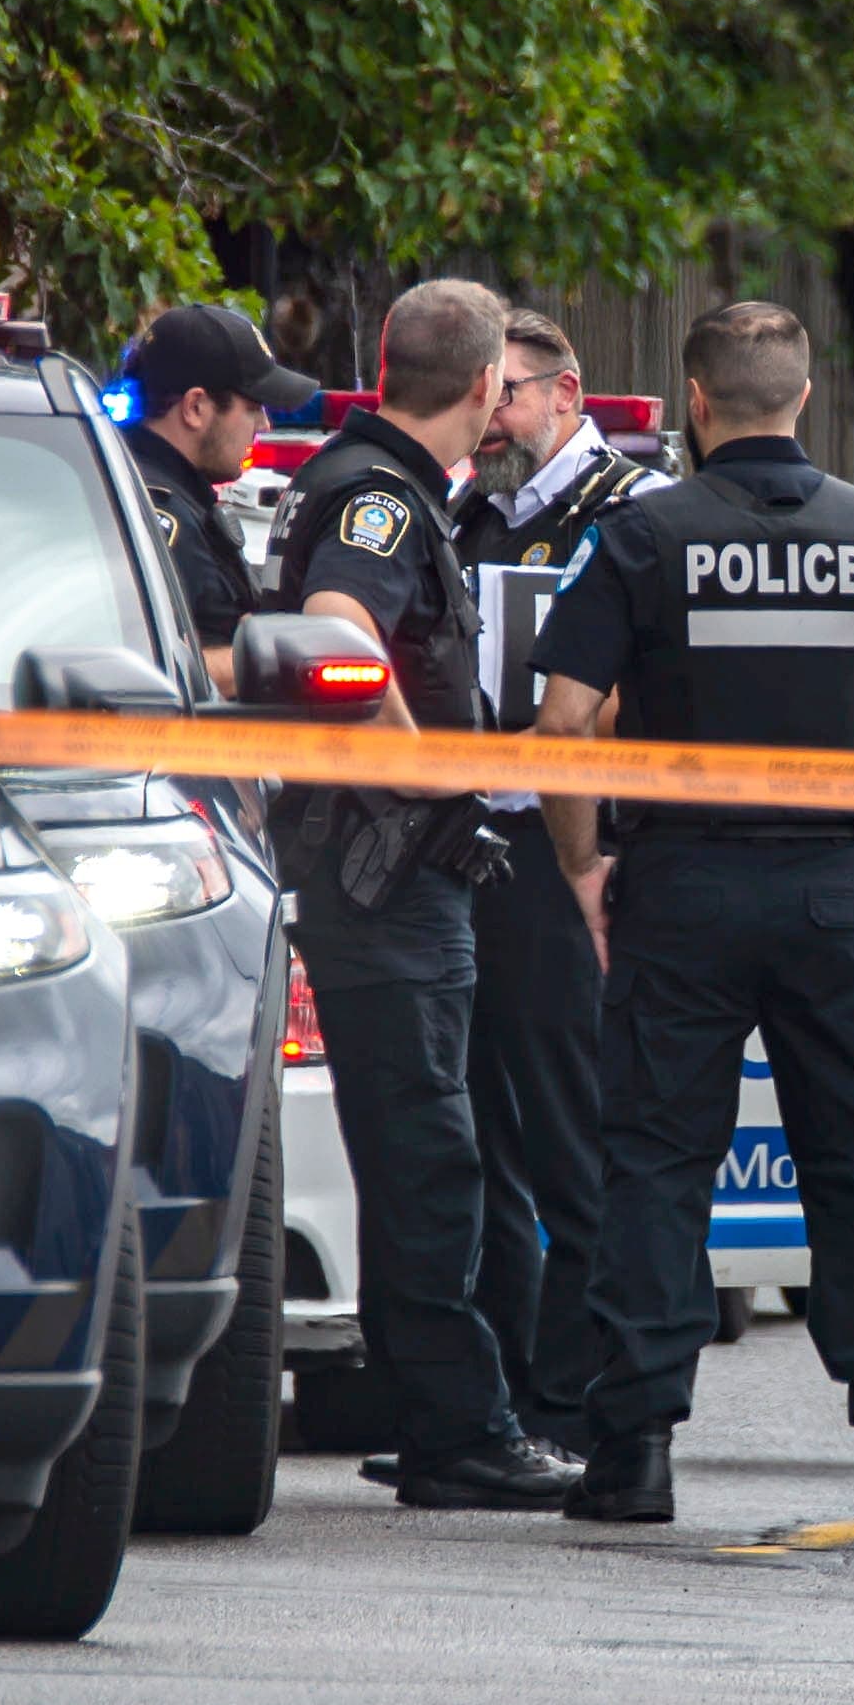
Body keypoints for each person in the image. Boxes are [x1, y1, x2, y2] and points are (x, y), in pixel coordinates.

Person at [530, 299, 854, 1528]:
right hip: (842, 894)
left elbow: (565, 723)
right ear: (804, 397)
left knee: (658, 1168)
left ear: (693, 398)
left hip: (681, 891)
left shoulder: (640, 535)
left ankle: (631, 1456)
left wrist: (584, 870)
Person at [267, 278, 580, 1512]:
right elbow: (339, 622)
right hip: (388, 885)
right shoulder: (382, 501)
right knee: (433, 1159)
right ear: (484, 386)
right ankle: (462, 1430)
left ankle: (433, 1407)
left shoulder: (387, 485)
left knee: (424, 1153)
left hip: (392, 881)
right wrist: (415, 768)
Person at [449, 308, 660, 1443]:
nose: (494, 419)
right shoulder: (474, 509)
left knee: (575, 1129)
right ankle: (501, 1401)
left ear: (568, 396)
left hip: (572, 847)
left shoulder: (630, 515)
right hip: (474, 842)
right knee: (478, 1132)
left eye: (512, 396)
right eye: (487, 397)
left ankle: (581, 1398)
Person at [117, 303, 321, 691]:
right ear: (195, 408)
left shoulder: (155, 490)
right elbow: (153, 667)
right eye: (252, 407)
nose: (264, 424)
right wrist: (279, 653)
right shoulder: (156, 516)